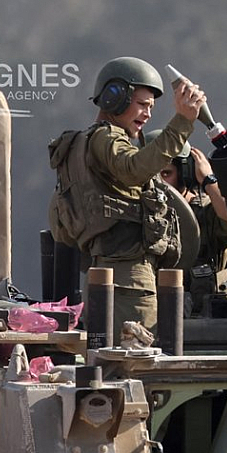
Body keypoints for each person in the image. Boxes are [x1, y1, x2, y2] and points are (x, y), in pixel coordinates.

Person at [48, 56, 206, 336]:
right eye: (142, 104)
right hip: (129, 278)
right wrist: (182, 121)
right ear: (114, 98)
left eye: (151, 108)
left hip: (107, 271)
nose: (147, 114)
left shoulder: (82, 144)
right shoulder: (106, 140)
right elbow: (135, 168)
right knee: (139, 355)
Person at [145, 129, 227, 313]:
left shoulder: (207, 211)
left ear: (185, 173)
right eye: (151, 175)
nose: (158, 184)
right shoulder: (139, 214)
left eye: (166, 174)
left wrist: (209, 181)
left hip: (206, 321)